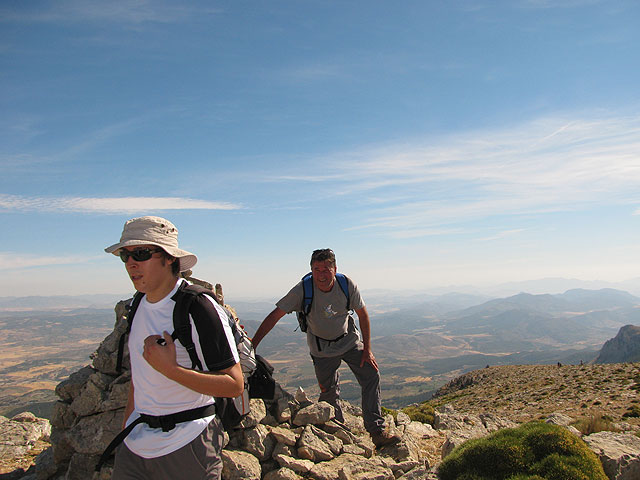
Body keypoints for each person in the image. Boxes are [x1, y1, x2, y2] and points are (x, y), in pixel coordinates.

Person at [104, 216, 243, 479]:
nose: (131, 263)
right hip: (135, 444)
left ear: (169, 258)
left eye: (141, 253)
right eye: (125, 255)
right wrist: (127, 427)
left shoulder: (198, 307)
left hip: (187, 444)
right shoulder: (138, 304)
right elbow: (140, 377)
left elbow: (234, 385)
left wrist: (171, 369)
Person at [251, 248, 400, 448]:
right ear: (311, 270)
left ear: (335, 269)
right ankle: (338, 435)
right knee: (328, 391)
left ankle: (376, 431)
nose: (321, 274)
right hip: (321, 349)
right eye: (317, 269)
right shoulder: (303, 290)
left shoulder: (346, 284)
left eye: (326, 269)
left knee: (371, 374)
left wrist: (367, 349)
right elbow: (274, 316)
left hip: (349, 340)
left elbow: (363, 315)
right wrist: (253, 345)